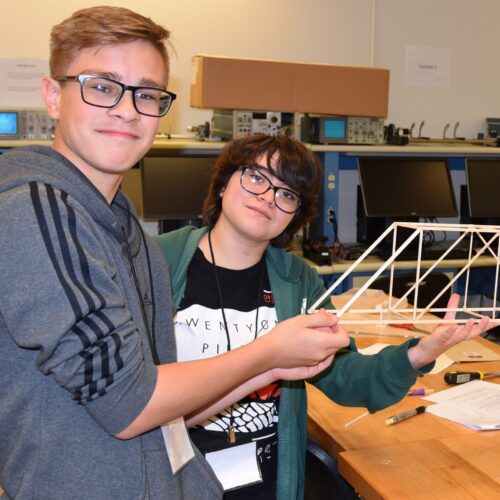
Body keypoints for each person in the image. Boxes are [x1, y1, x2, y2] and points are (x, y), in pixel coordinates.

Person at [0, 7, 353, 499]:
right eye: (102, 86)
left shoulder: (128, 234)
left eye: (146, 94)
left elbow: (164, 409)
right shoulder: (37, 212)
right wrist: (266, 351)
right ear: (52, 97)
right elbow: (129, 406)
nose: (127, 110)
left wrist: (271, 369)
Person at [155, 133, 491, 499]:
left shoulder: (298, 279)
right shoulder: (158, 260)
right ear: (223, 184)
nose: (268, 197)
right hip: (169, 477)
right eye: (256, 177)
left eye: (287, 194)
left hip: (265, 481)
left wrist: (419, 354)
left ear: (294, 217)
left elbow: (341, 372)